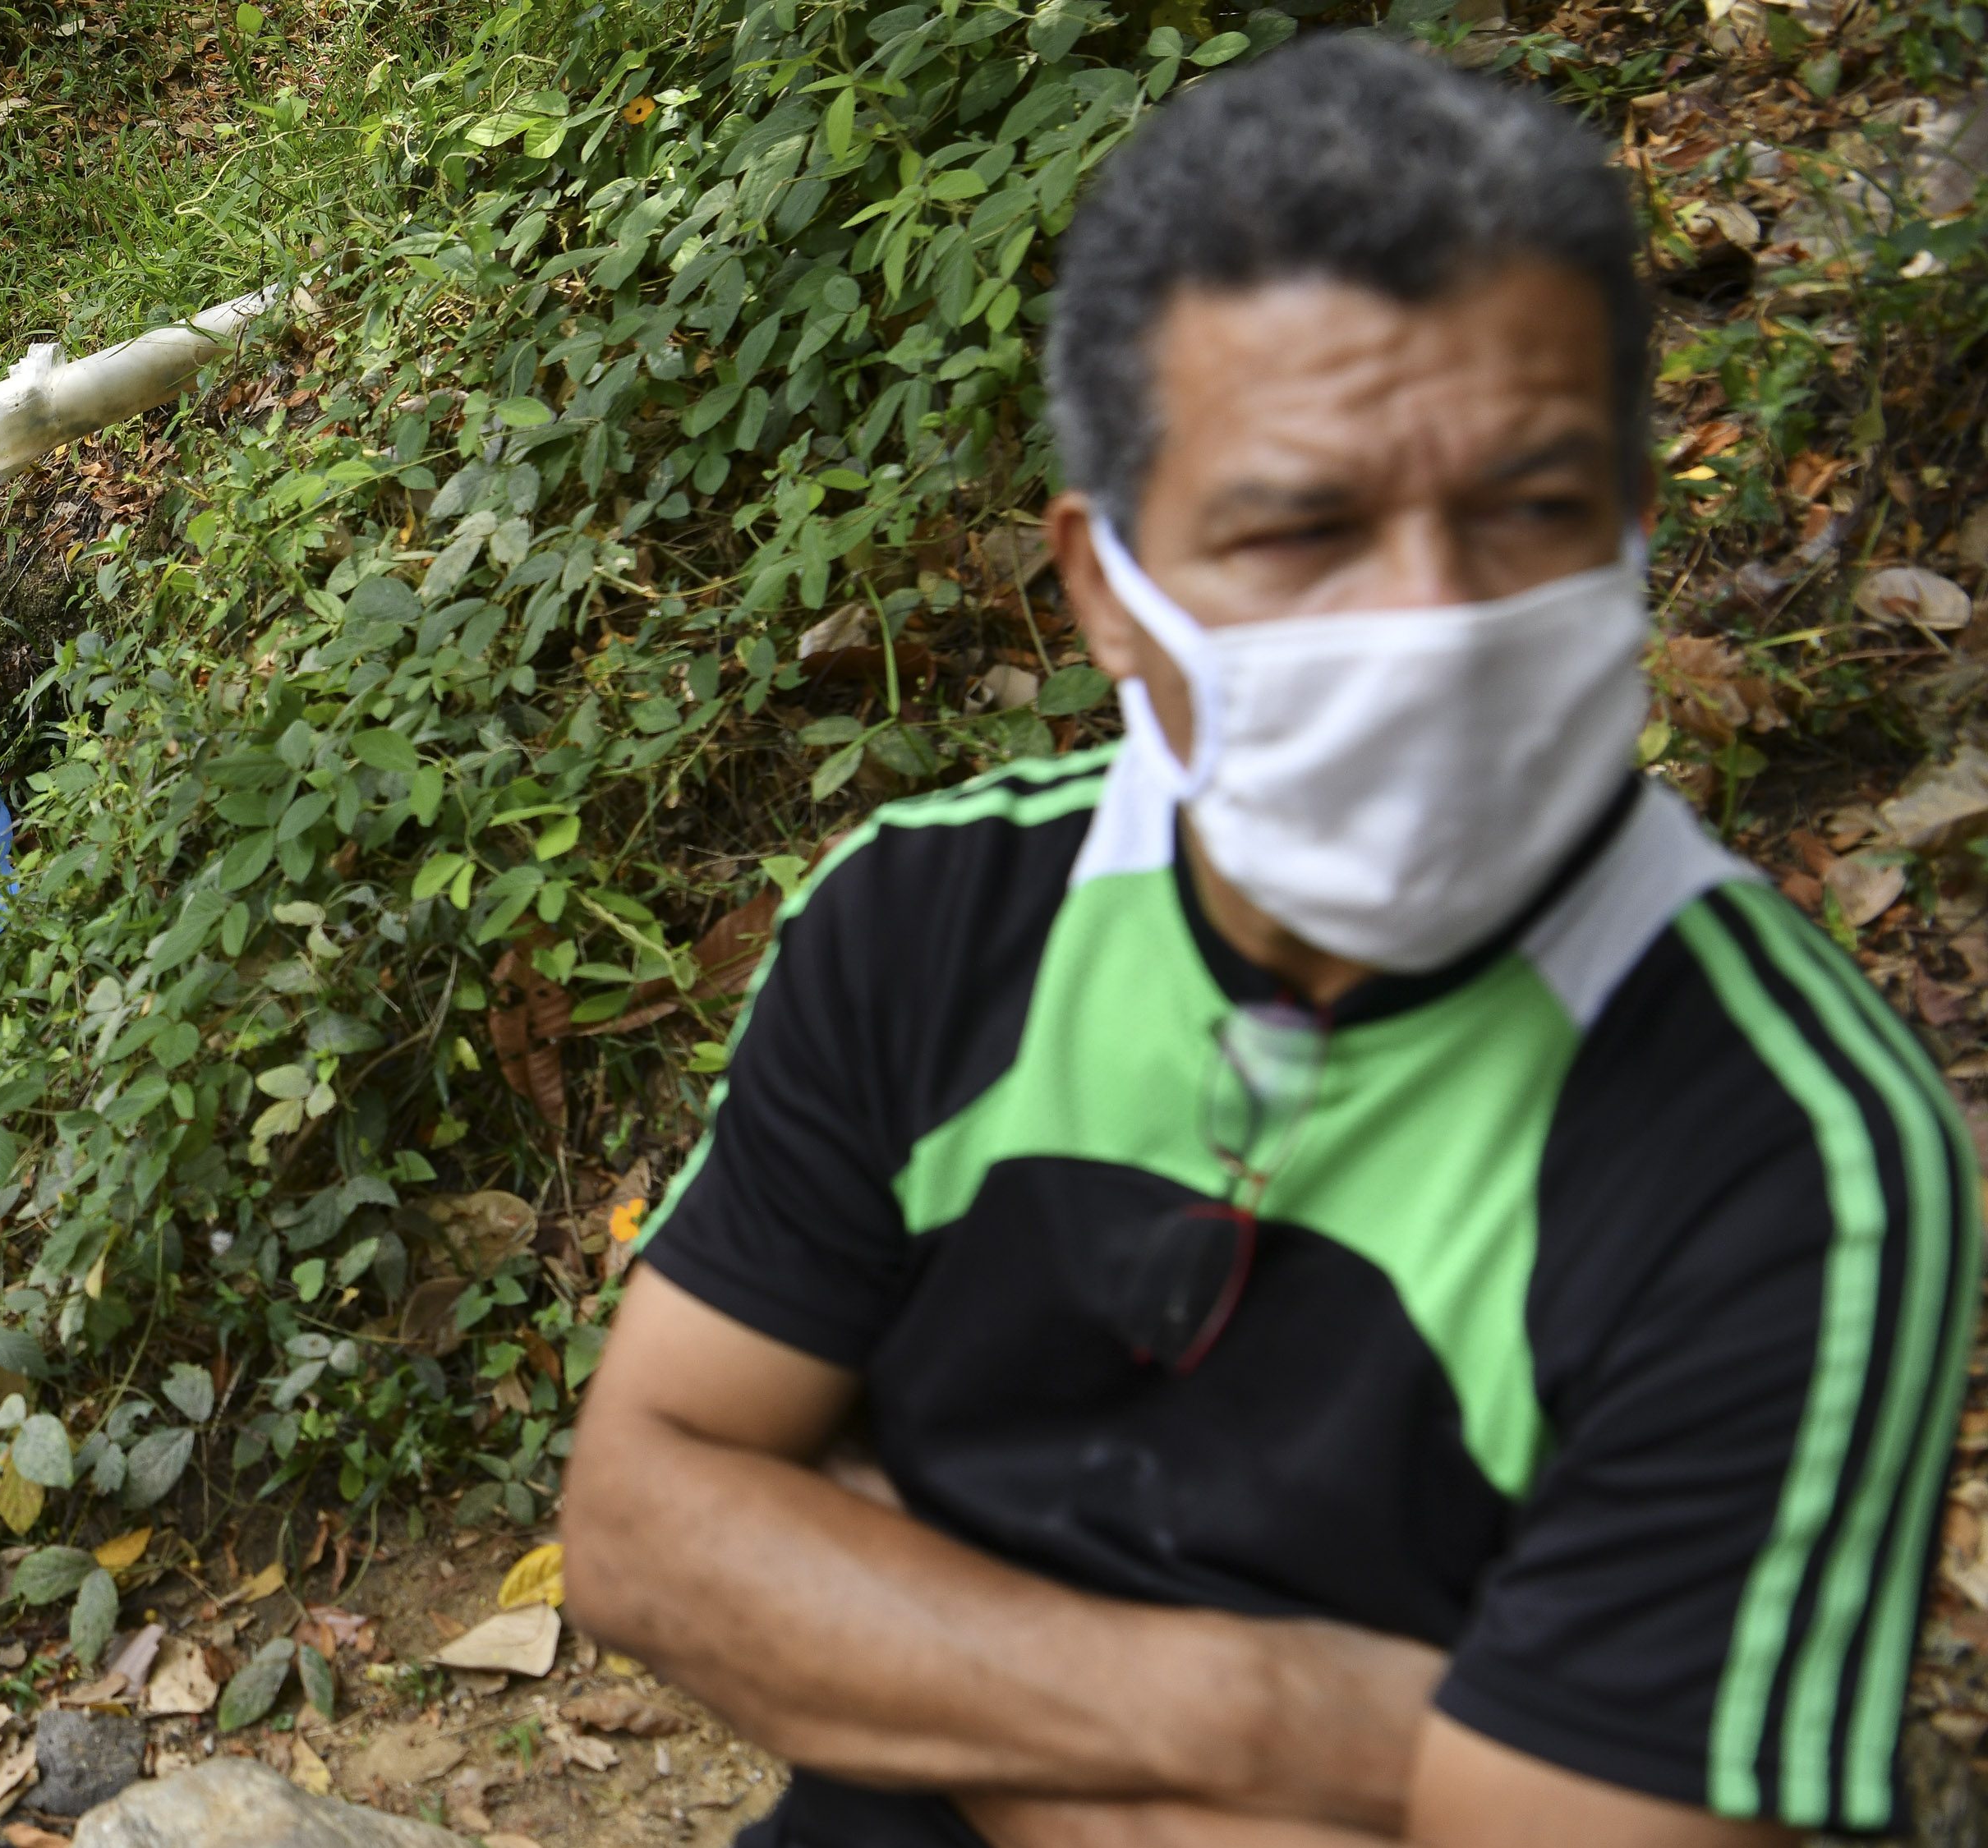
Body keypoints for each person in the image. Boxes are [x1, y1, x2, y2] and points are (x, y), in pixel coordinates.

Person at [559, 34, 1977, 1848]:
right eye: (1300, 526)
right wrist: (1276, 1709)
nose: (1430, 623)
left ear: (1632, 525)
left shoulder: (1783, 1160)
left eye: (1527, 509)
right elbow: (639, 1526)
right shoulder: (926, 925)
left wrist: (883, 1609)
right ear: (1104, 592)